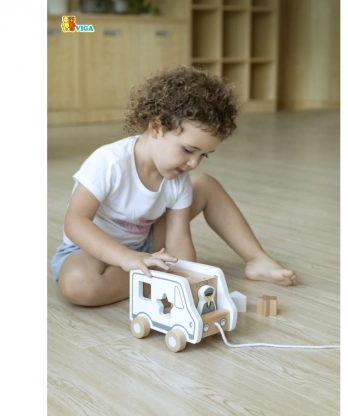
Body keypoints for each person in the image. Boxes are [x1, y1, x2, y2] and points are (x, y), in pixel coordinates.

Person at [51, 66, 297, 306]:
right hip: (89, 250)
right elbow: (76, 223)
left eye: (204, 155)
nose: (193, 163)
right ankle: (156, 275)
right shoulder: (108, 162)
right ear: (156, 127)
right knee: (78, 283)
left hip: (146, 245)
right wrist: (126, 258)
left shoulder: (179, 179)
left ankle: (256, 259)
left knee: (206, 185)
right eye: (189, 150)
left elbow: (179, 240)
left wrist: (188, 280)